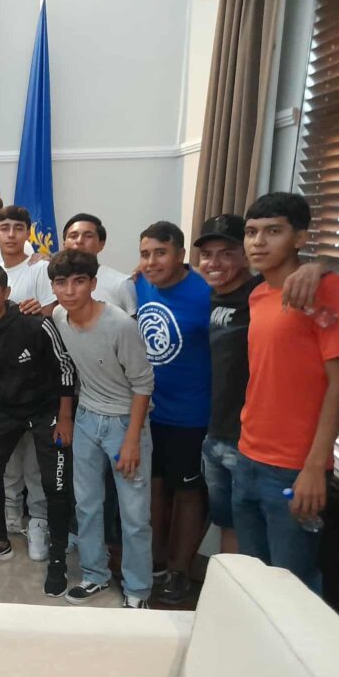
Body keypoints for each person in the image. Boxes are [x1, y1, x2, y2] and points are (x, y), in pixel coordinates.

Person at [235, 193, 339, 591]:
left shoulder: (327, 290)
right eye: (251, 232)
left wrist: (315, 467)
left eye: (273, 231)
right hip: (248, 456)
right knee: (254, 581)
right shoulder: (257, 295)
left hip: (293, 467)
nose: (258, 242)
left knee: (293, 588)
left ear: (299, 238)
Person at [196, 213, 334, 557]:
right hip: (216, 433)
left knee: (284, 557)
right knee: (230, 528)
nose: (214, 263)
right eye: (207, 255)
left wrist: (318, 267)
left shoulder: (261, 293)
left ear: (245, 257)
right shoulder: (206, 294)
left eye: (226, 253)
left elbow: (333, 269)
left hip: (255, 446)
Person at [0, 262, 75, 598]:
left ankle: (58, 557)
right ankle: (0, 541)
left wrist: (65, 417)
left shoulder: (35, 323)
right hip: (4, 411)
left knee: (55, 483)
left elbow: (66, 369)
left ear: (6, 293)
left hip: (47, 410)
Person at [49, 249, 154, 608]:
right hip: (86, 418)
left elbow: (143, 384)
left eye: (79, 281)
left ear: (93, 284)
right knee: (87, 505)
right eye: (61, 282)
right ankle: (95, 574)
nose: (70, 290)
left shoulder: (120, 325)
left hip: (125, 422)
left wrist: (132, 440)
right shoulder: (60, 316)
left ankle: (138, 590)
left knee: (134, 514)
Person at [135, 221, 210, 603]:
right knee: (153, 488)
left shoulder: (206, 293)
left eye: (160, 253)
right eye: (145, 254)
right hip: (148, 411)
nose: (151, 261)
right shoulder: (140, 284)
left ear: (180, 255)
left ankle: (180, 570)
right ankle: (156, 561)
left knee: (187, 494)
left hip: (190, 416)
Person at [0, 205, 59, 562]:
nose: (11, 234)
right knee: (8, 460)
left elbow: (56, 311)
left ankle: (39, 522)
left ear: (27, 232)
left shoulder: (40, 268)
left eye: (18, 228)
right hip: (1, 381)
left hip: (36, 381)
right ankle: (9, 517)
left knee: (35, 463)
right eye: (4, 227)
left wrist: (40, 310)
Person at [62, 213, 136, 314]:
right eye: (73, 236)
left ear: (101, 244)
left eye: (88, 236)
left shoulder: (121, 283)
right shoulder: (55, 283)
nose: (79, 241)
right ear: (64, 245)